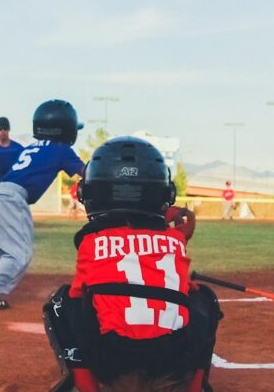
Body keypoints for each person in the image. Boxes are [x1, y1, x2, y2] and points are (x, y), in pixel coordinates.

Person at [43, 137, 222, 392]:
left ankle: (84, 386)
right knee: (204, 298)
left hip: (110, 361)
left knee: (62, 301)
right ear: (165, 195)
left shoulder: (90, 241)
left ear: (90, 194)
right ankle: (195, 387)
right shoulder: (175, 240)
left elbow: (78, 294)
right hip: (172, 362)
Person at [0, 99, 86, 310]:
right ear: (65, 130)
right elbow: (85, 172)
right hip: (13, 197)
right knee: (20, 254)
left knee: (10, 243)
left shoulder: (32, 147)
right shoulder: (61, 149)